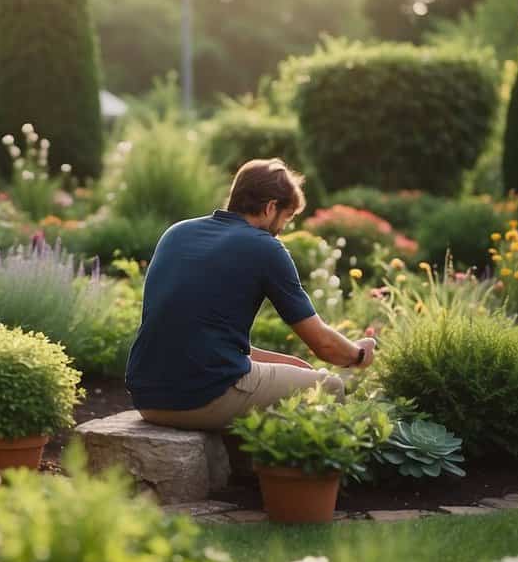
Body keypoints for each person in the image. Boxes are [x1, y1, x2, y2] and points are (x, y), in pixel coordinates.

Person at [124, 158, 375, 431]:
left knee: (299, 369)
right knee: (329, 388)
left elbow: (190, 331)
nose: (283, 229)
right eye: (287, 218)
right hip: (199, 400)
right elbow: (324, 346)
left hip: (147, 398)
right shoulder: (265, 247)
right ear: (270, 208)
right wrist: (359, 354)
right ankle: (277, 474)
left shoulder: (177, 232)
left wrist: (294, 365)